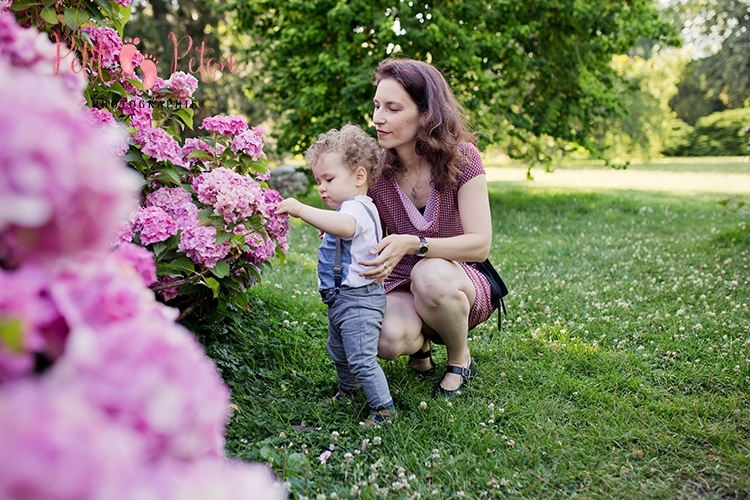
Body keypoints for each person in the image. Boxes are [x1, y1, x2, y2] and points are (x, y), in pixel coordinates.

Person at [359, 58, 497, 397]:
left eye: (393, 108)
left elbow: (479, 245)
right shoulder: (377, 168)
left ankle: (459, 358)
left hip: (455, 277)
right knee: (387, 341)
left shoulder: (463, 158)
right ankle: (420, 349)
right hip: (401, 279)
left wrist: (414, 243)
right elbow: (362, 220)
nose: (378, 118)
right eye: (377, 106)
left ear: (426, 114)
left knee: (429, 274)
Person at [275, 124, 395, 424]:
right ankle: (348, 390)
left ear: (358, 176)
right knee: (339, 350)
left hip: (359, 300)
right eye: (318, 181)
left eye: (329, 179)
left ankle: (383, 408)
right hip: (342, 298)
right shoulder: (348, 210)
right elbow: (342, 232)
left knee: (361, 358)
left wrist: (302, 210)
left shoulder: (356, 209)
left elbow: (345, 227)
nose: (322, 188)